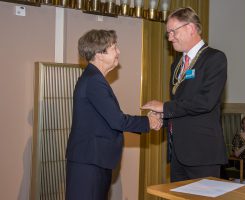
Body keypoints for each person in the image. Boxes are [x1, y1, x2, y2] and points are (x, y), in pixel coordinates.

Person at [65, 29, 162, 200]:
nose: (119, 52)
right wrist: (148, 122)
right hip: (89, 162)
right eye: (114, 47)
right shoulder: (94, 81)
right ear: (99, 54)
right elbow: (117, 120)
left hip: (95, 159)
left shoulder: (94, 78)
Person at [141, 7, 228, 182]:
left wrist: (165, 107)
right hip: (177, 153)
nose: (170, 37)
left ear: (190, 28)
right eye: (168, 33)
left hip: (202, 154)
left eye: (173, 32)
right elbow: (182, 104)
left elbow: (205, 102)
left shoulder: (214, 58)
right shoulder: (178, 64)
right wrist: (163, 116)